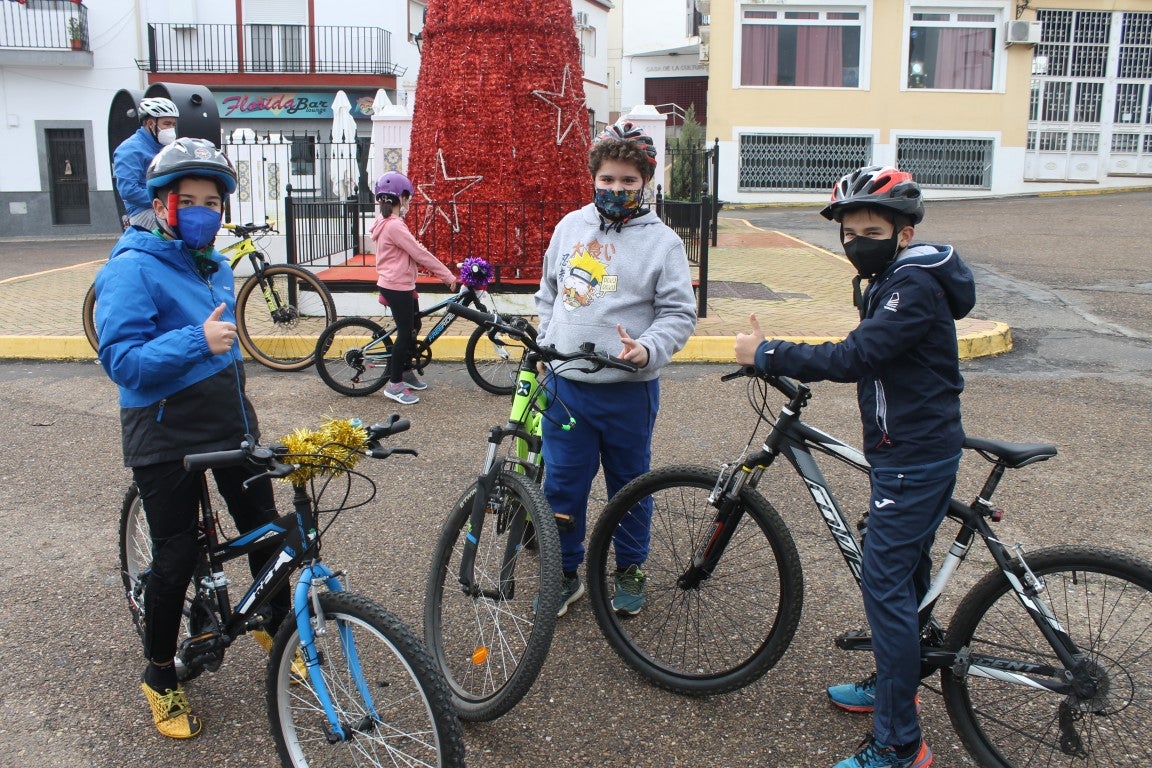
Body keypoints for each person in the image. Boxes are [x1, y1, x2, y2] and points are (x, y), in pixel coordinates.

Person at [735, 165, 975, 768]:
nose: (856, 241)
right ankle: (896, 680)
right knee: (906, 576)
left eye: (871, 228)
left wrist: (768, 352)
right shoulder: (895, 278)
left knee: (884, 588)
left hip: (912, 458)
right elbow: (873, 347)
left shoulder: (910, 284)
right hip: (913, 449)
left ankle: (900, 743)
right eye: (848, 231)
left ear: (903, 231)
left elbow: (860, 354)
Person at [95, 137, 290, 740]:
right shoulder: (130, 267)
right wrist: (193, 342)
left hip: (228, 420)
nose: (205, 210)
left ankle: (276, 632)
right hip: (163, 433)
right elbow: (122, 361)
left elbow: (226, 350)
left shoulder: (216, 264)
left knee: (267, 528)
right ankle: (160, 677)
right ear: (161, 203)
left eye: (214, 200)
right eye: (191, 199)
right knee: (175, 556)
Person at [534, 122, 697, 618]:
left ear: (645, 181)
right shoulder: (569, 227)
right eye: (607, 179)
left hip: (629, 390)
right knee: (562, 486)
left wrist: (647, 349)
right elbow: (549, 290)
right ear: (594, 177)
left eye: (628, 180)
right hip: (566, 388)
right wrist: (547, 338)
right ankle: (564, 572)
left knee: (630, 485)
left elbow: (678, 313)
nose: (616, 189)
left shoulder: (663, 243)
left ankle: (630, 568)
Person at [370, 170, 457, 405]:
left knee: (414, 326)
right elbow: (419, 253)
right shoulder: (394, 226)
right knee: (404, 333)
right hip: (396, 286)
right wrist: (447, 276)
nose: (409, 202)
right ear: (402, 197)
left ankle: (406, 371)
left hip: (401, 284)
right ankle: (394, 385)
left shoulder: (386, 222)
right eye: (408, 197)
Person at [113, 96, 180, 230]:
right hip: (143, 213)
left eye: (173, 124)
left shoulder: (166, 147)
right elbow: (128, 190)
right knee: (182, 227)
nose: (171, 129)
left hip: (167, 207)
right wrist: (164, 202)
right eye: (167, 124)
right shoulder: (130, 149)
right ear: (151, 124)